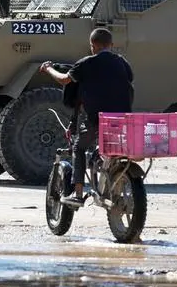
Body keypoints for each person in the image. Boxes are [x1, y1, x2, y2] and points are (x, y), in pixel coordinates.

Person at [40, 28, 133, 207]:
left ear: (92, 46)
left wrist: (48, 68)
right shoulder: (122, 62)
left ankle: (78, 193)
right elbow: (129, 79)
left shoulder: (86, 63)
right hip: (121, 119)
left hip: (95, 119)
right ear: (111, 45)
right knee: (107, 147)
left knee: (79, 147)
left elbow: (64, 80)